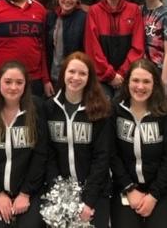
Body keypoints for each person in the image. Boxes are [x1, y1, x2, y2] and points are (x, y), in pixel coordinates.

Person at [44, 52, 112, 228]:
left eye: (83, 73)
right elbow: (48, 155)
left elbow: (102, 158)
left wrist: (88, 201)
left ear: (90, 78)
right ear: (63, 73)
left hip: (95, 191)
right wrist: (60, 193)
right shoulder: (49, 108)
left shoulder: (100, 110)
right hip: (60, 190)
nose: (76, 77)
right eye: (71, 71)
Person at [0, 61, 47, 227]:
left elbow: (41, 155)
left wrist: (26, 193)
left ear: (26, 85)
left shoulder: (36, 108)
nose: (13, 87)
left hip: (30, 191)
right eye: (8, 82)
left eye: (19, 82)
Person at [110, 59, 167, 227]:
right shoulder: (115, 110)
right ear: (127, 83)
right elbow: (112, 154)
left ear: (155, 84)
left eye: (146, 81)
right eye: (135, 80)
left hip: (161, 188)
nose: (140, 87)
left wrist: (153, 196)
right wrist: (129, 188)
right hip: (125, 185)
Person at [85, 0, 145, 97]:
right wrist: (110, 75)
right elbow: (93, 48)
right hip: (102, 76)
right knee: (103, 109)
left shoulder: (134, 10)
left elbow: (138, 47)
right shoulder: (94, 11)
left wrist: (122, 74)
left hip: (126, 77)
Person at [45, 0, 87, 86]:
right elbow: (45, 50)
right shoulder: (50, 16)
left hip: (74, 79)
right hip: (52, 77)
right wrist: (46, 80)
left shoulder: (84, 18)